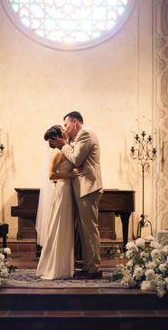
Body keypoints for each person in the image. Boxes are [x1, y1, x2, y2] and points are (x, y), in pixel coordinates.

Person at [50, 111, 103, 279]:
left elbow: (76, 159)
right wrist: (65, 144)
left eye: (66, 125)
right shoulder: (75, 139)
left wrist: (62, 146)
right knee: (84, 230)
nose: (65, 129)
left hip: (88, 187)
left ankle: (94, 269)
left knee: (89, 230)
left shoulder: (85, 133)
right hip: (81, 188)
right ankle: (88, 266)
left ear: (74, 122)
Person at [36, 125, 76, 280]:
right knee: (58, 227)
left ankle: (63, 267)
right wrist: (70, 175)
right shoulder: (57, 152)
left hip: (67, 191)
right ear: (58, 136)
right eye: (63, 130)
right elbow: (51, 175)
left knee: (65, 228)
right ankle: (53, 268)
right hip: (62, 191)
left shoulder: (65, 149)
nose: (66, 131)